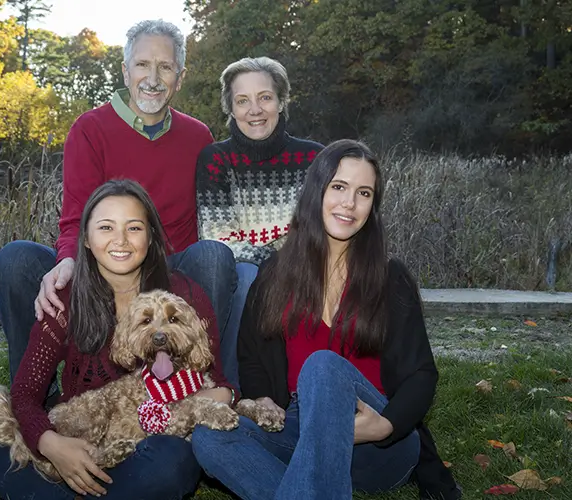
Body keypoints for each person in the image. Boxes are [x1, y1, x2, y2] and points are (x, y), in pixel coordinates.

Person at [191, 140, 462, 500]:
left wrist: (386, 425)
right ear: (316, 191)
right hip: (301, 429)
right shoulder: (275, 274)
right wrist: (263, 399)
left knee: (322, 367)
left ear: (372, 206)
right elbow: (253, 356)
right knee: (209, 436)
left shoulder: (389, 278)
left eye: (363, 193)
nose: (349, 203)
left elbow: (421, 374)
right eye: (338, 187)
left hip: (373, 440)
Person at [0, 179, 237, 500]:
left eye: (134, 228)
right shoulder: (65, 297)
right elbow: (24, 395)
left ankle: (40, 490)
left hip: (150, 445)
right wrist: (53, 446)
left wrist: (177, 413)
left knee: (173, 464)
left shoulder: (184, 295)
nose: (120, 240)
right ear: (87, 240)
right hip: (80, 436)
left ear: (151, 236)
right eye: (106, 227)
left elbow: (221, 385)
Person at [0, 20, 238, 404]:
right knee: (16, 259)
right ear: (125, 70)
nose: (153, 79)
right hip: (105, 261)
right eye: (142, 65)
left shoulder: (198, 137)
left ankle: (204, 387)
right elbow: (76, 215)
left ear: (181, 76)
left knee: (215, 256)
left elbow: (214, 216)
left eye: (166, 67)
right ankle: (33, 397)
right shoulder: (90, 129)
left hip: (167, 268)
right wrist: (68, 261)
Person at [195, 57, 324, 387]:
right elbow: (219, 239)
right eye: (242, 101)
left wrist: (285, 261)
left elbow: (319, 232)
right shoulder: (216, 159)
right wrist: (274, 259)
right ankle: (231, 390)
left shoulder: (314, 159)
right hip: (246, 275)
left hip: (302, 268)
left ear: (281, 101)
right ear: (231, 108)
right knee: (247, 273)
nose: (255, 109)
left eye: (265, 97)